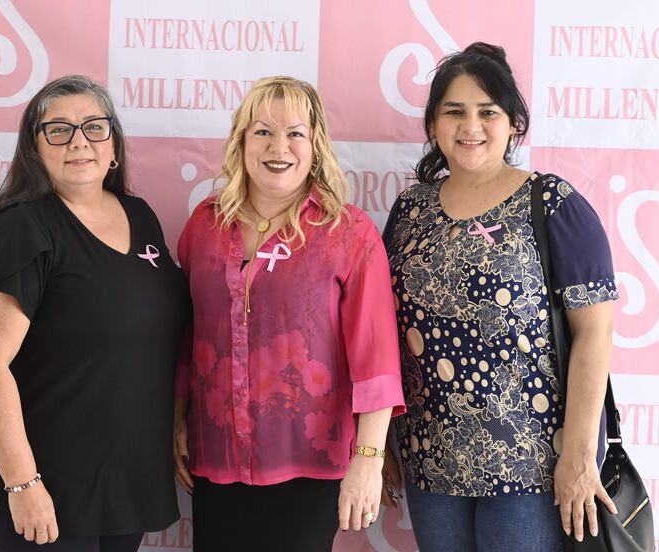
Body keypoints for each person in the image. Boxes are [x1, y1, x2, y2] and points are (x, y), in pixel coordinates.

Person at [382, 43, 620, 552]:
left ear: (514, 122)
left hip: (533, 465)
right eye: (455, 111)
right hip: (432, 458)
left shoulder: (554, 204)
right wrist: (376, 441)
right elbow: (382, 330)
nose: (471, 125)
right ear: (433, 125)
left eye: (487, 111)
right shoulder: (410, 211)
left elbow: (594, 332)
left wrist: (579, 454)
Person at [0, 75, 190, 551]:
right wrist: (23, 485)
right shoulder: (21, 229)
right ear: (34, 149)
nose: (78, 141)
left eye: (93, 127)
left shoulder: (140, 215)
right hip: (48, 483)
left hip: (124, 481)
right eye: (58, 130)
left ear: (114, 147)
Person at [172, 76, 405, 552]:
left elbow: (376, 359)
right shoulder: (204, 225)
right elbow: (187, 334)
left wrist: (368, 459)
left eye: (295, 133)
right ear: (241, 141)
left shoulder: (349, 234)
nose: (279, 147)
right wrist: (176, 420)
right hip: (216, 456)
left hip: (310, 461)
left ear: (315, 145)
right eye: (263, 132)